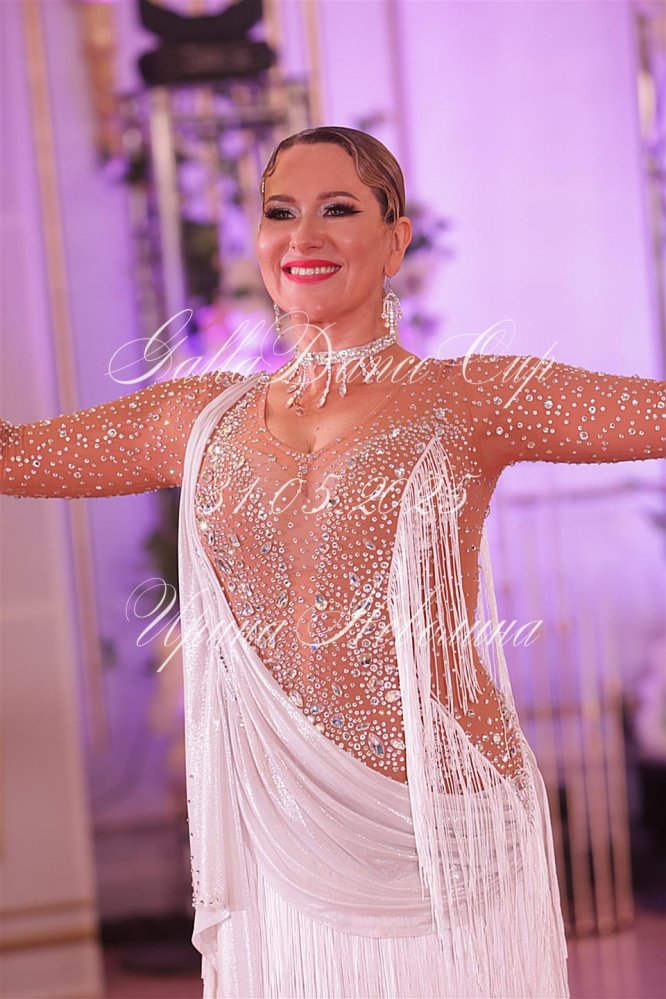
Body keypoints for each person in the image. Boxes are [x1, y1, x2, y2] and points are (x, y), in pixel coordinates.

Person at [1, 125, 665, 999]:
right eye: (280, 212)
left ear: (395, 240)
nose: (303, 236)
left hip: (444, 836)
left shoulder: (469, 398)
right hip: (279, 841)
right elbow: (12, 455)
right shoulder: (199, 418)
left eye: (338, 209)